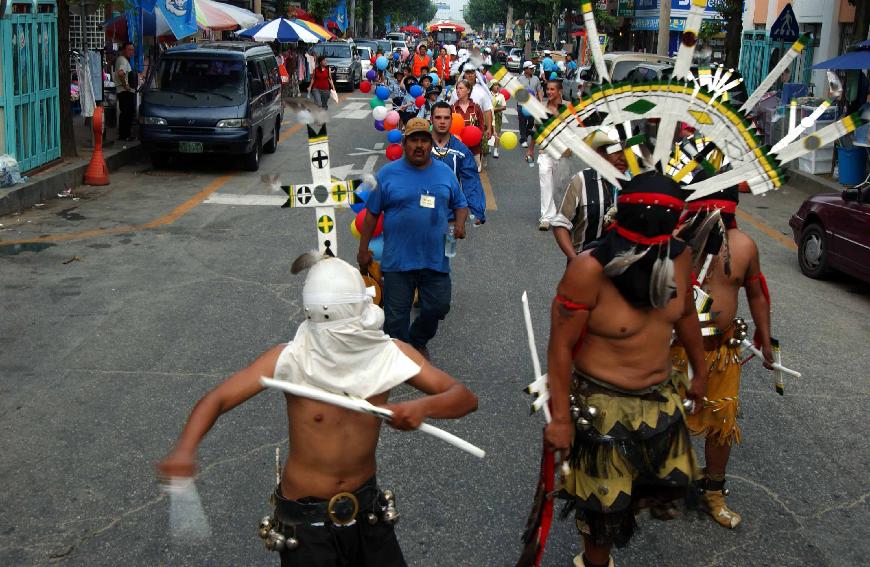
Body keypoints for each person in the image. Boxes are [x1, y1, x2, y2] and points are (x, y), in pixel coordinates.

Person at [158, 254, 478, 566]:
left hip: (366, 507)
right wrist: (185, 449)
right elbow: (218, 399)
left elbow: (463, 397)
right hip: (305, 520)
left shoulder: (390, 353)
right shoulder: (291, 357)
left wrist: (423, 406)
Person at [545, 171, 708, 567]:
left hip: (658, 401)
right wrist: (561, 418)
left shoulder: (681, 255)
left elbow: (685, 311)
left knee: (657, 491)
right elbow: (561, 346)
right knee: (602, 518)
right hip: (602, 406)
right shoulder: (588, 269)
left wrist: (699, 372)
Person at [671, 178, 773, 529]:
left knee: (721, 424)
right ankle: (663, 481)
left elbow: (757, 293)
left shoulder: (744, 245)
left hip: (722, 351)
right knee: (666, 418)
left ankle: (713, 491)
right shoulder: (678, 242)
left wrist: (766, 336)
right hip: (678, 350)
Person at [357, 118, 469, 360]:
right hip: (398, 260)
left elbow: (460, 204)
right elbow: (372, 215)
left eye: (424, 140)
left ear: (431, 144)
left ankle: (417, 341)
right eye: (414, 140)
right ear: (405, 143)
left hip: (435, 258)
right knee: (396, 316)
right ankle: (400, 353)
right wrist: (363, 249)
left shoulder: (444, 173)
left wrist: (459, 224)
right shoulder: (387, 174)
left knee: (438, 306)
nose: (419, 146)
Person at [551, 131, 627, 259]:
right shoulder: (582, 180)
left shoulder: (635, 184)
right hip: (584, 265)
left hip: (620, 270)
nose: (623, 158)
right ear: (601, 153)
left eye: (627, 152)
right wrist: (575, 260)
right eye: (616, 151)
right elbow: (561, 223)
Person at [429, 101, 486, 224]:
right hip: (421, 214)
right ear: (431, 119)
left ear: (451, 120)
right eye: (438, 117)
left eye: (446, 118)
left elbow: (471, 181)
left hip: (449, 216)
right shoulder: (420, 146)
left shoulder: (461, 150)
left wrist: (476, 211)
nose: (442, 121)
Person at [528, 79, 570, 231]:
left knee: (560, 186)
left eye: (552, 89)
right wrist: (530, 149)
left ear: (559, 91)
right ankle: (545, 217)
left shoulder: (568, 109)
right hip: (545, 152)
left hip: (562, 154)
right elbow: (535, 131)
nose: (549, 92)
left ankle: (560, 216)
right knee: (545, 183)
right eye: (548, 89)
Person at [449, 65, 494, 166]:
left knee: (474, 163)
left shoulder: (482, 91)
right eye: (467, 72)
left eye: (472, 72)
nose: (470, 75)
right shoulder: (456, 92)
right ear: (464, 74)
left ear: (476, 74)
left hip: (475, 132)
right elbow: (449, 110)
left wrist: (489, 128)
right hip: (458, 136)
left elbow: (487, 110)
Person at [451, 79, 485, 170]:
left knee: (475, 171)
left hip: (475, 148)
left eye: (461, 88)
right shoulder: (453, 108)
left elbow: (481, 125)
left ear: (468, 90)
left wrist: (477, 137)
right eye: (457, 88)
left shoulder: (476, 107)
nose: (458, 91)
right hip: (457, 147)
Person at [516, 61, 542, 148]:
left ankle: (525, 136)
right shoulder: (520, 79)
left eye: (533, 68)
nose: (533, 69)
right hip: (522, 104)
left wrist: (540, 102)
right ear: (525, 69)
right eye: (531, 68)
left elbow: (539, 90)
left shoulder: (536, 79)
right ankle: (523, 139)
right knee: (522, 122)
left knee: (531, 122)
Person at [115, 42, 137, 141]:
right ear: (124, 50)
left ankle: (125, 134)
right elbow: (121, 73)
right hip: (124, 91)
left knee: (128, 112)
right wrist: (126, 85)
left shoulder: (124, 60)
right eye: (129, 49)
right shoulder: (123, 60)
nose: (131, 52)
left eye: (132, 50)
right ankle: (124, 135)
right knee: (126, 113)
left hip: (126, 91)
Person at [489, 81, 506, 159]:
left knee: (497, 133)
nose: (497, 87)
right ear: (491, 86)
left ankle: (495, 150)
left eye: (498, 85)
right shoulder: (488, 94)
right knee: (489, 131)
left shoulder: (501, 96)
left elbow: (504, 107)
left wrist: (495, 109)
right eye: (495, 85)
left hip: (497, 116)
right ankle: (489, 147)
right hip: (488, 115)